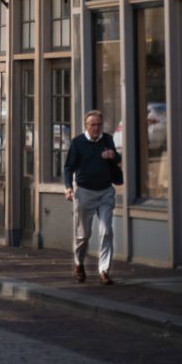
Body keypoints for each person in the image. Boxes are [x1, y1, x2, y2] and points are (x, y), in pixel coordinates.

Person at [64, 109, 122, 285]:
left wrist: (113, 155)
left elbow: (117, 158)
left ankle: (104, 270)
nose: (96, 128)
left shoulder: (107, 139)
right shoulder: (77, 143)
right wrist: (68, 188)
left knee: (106, 231)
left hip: (105, 192)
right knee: (83, 235)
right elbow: (68, 168)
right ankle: (79, 263)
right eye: (92, 125)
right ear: (86, 126)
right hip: (84, 193)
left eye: (99, 125)